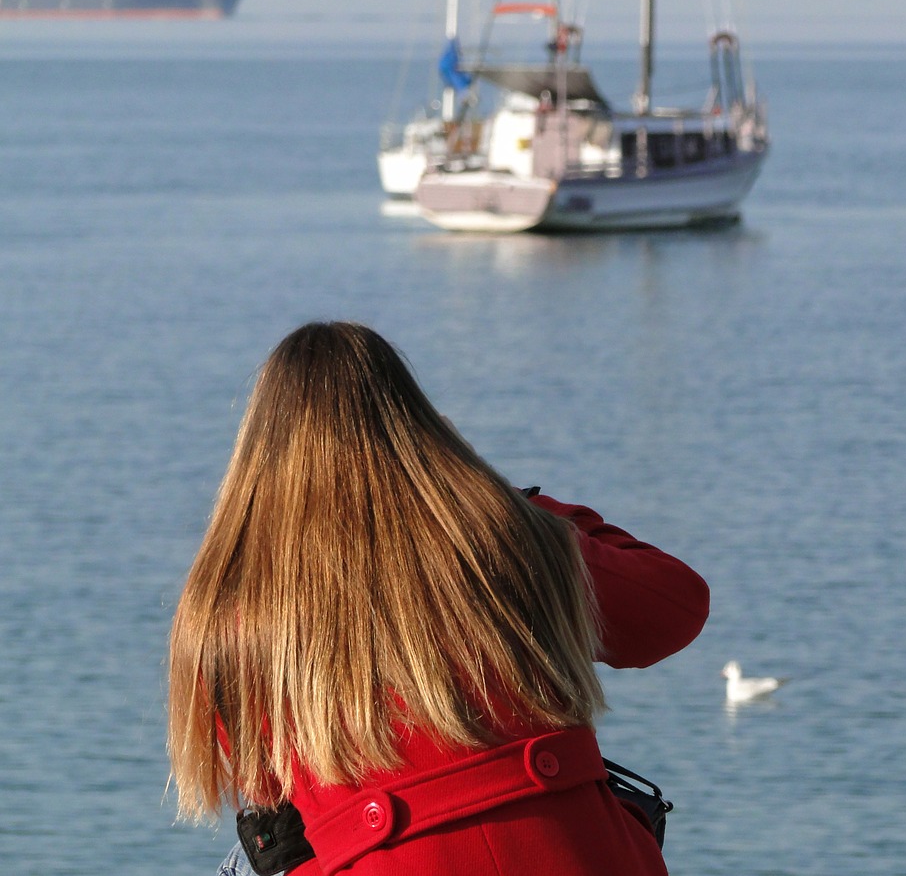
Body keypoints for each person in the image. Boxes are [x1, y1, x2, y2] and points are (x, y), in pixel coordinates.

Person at [168, 321, 710, 876]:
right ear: (419, 428)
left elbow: (268, 788)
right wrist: (498, 499)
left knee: (244, 861)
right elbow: (674, 610)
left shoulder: (224, 611)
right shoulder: (500, 542)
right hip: (584, 856)